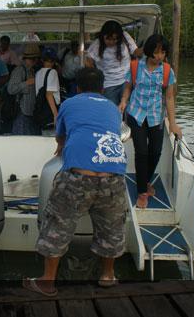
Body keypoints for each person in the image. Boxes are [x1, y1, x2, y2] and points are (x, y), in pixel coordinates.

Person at [24, 67, 128, 295]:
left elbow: (60, 134)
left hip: (79, 177)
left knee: (57, 224)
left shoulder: (69, 104)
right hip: (114, 175)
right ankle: (108, 276)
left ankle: (47, 281)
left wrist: (61, 147)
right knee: (111, 228)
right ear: (102, 88)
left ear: (77, 88)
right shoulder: (113, 108)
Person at [119, 34, 183, 209]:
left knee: (156, 152)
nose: (159, 56)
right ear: (148, 51)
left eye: (163, 53)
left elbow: (169, 98)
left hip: (156, 116)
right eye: (156, 52)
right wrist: (124, 101)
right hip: (136, 114)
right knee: (141, 152)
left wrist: (173, 123)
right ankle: (142, 192)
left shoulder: (167, 71)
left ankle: (146, 181)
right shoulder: (134, 67)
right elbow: (128, 88)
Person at [87, 20, 140, 105]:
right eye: (108, 39)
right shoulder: (97, 44)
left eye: (115, 39)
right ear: (103, 36)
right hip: (108, 84)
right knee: (112, 109)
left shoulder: (125, 37)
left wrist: (148, 48)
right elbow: (88, 61)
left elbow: (136, 51)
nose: (111, 42)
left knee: (128, 109)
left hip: (127, 81)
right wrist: (97, 78)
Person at [7, 44, 41, 135]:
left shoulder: (32, 71)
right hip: (21, 112)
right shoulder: (19, 70)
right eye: (33, 59)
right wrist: (27, 83)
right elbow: (11, 89)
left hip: (30, 113)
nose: (34, 61)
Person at [35, 47, 60, 130]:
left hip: (41, 111)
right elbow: (49, 94)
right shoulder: (53, 72)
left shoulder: (38, 73)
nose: (50, 63)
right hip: (50, 111)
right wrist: (55, 114)